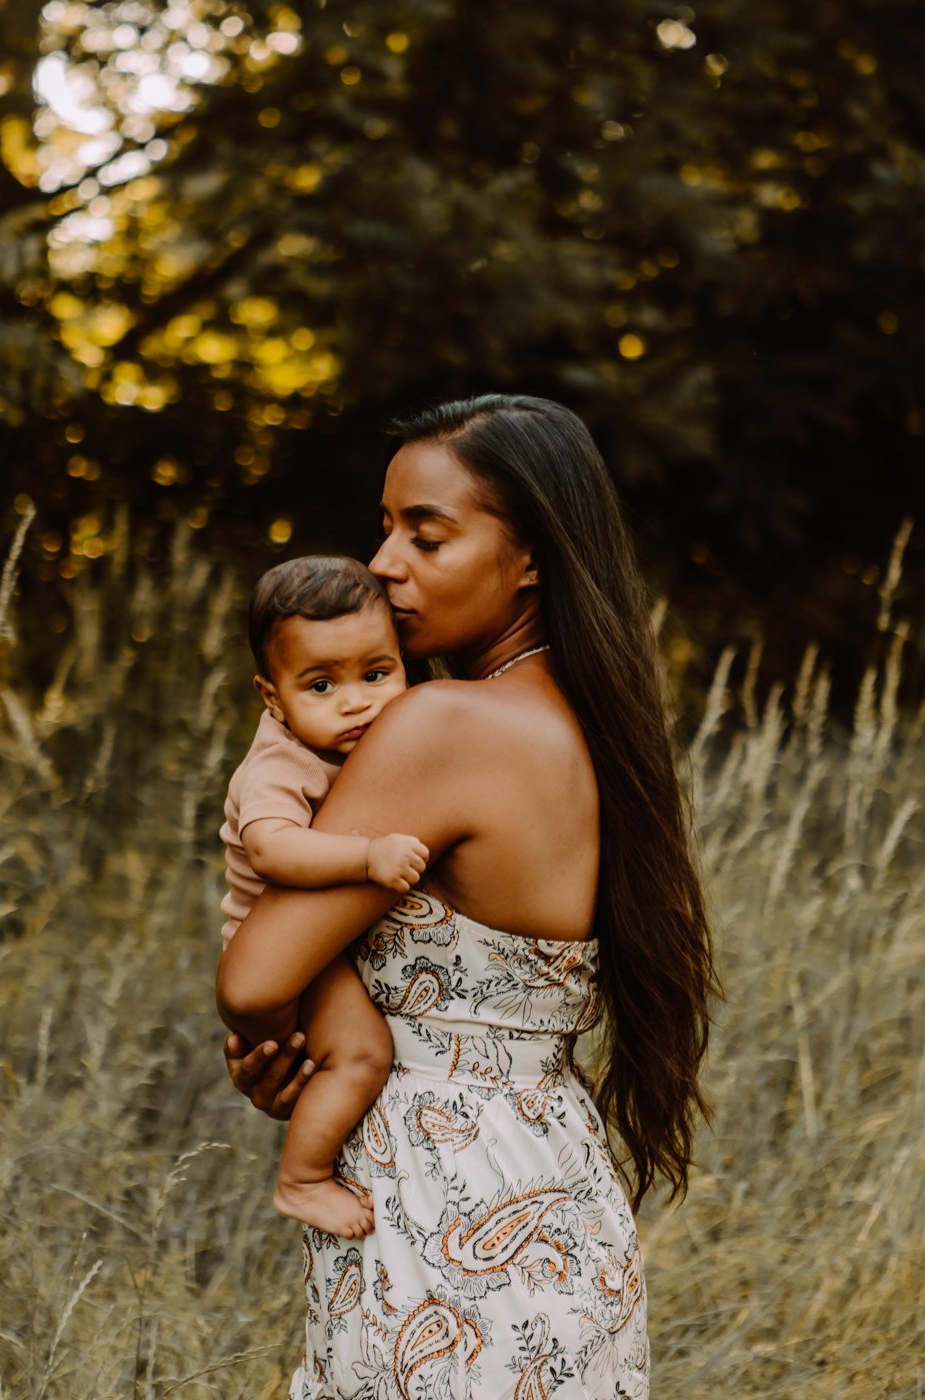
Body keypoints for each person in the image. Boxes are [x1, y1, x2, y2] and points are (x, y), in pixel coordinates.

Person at [217, 394, 717, 1398]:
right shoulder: (582, 720)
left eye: (426, 533)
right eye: (387, 524)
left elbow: (256, 972)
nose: (384, 563)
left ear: (528, 553)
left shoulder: (441, 723)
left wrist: (283, 1041)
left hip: (443, 1222)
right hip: (555, 1200)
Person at [220, 555, 428, 1237]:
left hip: (317, 945)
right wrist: (367, 858)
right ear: (273, 697)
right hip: (284, 951)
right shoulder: (281, 761)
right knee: (362, 1053)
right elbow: (273, 848)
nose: (356, 700)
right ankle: (302, 1180)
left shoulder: (367, 741)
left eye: (377, 674)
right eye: (320, 684)